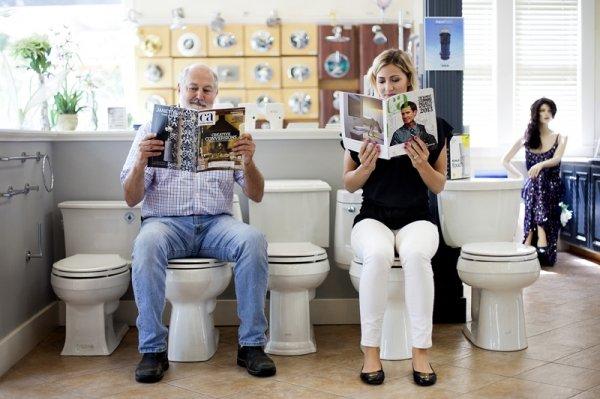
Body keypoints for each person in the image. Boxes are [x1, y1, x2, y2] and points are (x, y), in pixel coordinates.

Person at [120, 63, 276, 383]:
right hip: (165, 224)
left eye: (207, 90)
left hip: (216, 224)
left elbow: (256, 195)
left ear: (216, 94)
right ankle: (152, 350)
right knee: (145, 244)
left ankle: (251, 346)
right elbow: (130, 198)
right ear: (180, 90)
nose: (199, 95)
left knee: (253, 239)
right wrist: (140, 160)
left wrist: (249, 163)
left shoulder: (228, 131)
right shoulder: (151, 128)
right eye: (193, 88)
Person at [342, 49, 453, 387]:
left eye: (395, 80)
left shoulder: (436, 128)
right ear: (373, 85)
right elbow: (348, 185)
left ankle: (421, 351)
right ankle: (370, 351)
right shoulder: (361, 127)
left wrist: (422, 164)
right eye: (381, 81)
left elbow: (440, 185)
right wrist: (365, 166)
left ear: (408, 82)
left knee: (416, 256)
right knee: (376, 255)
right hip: (372, 217)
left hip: (417, 217)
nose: (388, 87)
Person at [502, 97, 567, 266]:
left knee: (539, 179)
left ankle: (529, 239)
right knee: (535, 182)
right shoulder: (527, 138)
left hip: (552, 185)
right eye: (542, 110)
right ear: (535, 114)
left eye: (549, 110)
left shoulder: (560, 137)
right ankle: (541, 235)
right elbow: (505, 160)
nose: (546, 114)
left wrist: (541, 164)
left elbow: (557, 159)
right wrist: (520, 177)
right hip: (533, 186)